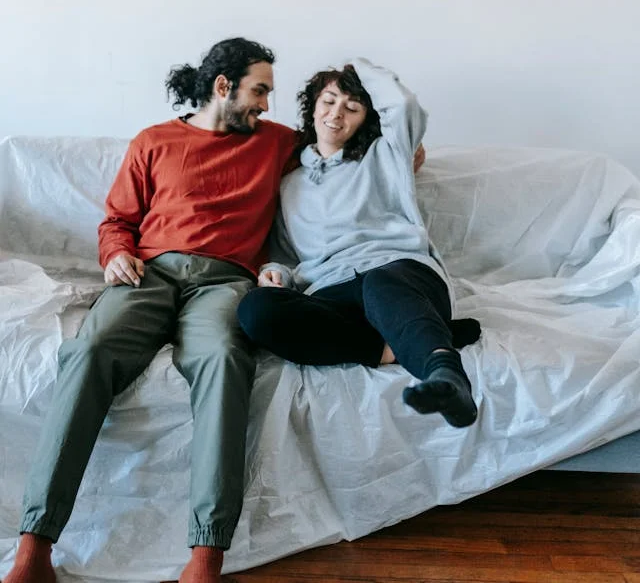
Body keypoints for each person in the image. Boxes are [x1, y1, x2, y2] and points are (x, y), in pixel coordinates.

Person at [2, 37, 298, 583]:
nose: (265, 105)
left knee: (225, 359)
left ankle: (205, 555)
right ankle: (34, 547)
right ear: (222, 86)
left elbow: (343, 144)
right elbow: (117, 220)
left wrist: (402, 147)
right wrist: (114, 255)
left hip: (225, 281)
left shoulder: (277, 143)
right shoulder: (155, 140)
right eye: (259, 91)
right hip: (149, 272)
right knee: (88, 350)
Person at [238, 58, 480, 428]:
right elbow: (286, 256)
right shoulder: (289, 184)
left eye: (352, 107)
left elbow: (404, 106)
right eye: (329, 101)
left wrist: (358, 69)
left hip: (399, 273)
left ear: (365, 117)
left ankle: (446, 375)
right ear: (313, 107)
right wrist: (274, 274)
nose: (336, 114)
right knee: (256, 310)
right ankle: (401, 343)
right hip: (333, 291)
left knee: (380, 280)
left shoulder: (387, 155)